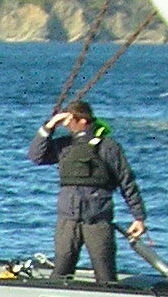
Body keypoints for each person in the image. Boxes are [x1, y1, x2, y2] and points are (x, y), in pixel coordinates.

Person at [29, 100, 147, 285]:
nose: (66, 124)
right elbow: (36, 156)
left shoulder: (108, 147)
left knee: (105, 274)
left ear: (83, 121)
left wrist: (138, 217)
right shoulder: (65, 145)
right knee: (61, 271)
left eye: (70, 120)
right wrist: (49, 126)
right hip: (68, 220)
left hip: (98, 220)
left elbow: (127, 181)